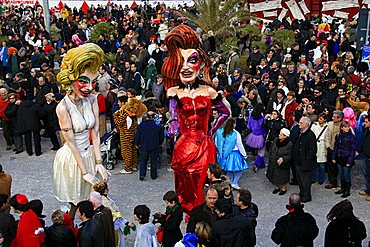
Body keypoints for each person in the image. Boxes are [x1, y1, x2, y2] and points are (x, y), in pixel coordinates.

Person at [163, 25, 229, 214]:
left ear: (200, 64)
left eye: (191, 60)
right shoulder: (173, 91)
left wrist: (210, 131)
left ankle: (205, 214)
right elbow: (173, 114)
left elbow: (225, 112)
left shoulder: (209, 91)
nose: (185, 67)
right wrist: (174, 125)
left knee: (204, 182)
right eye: (180, 61)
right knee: (184, 185)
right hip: (184, 146)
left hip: (204, 146)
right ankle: (189, 216)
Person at [53, 43, 109, 219]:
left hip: (89, 155)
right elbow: (70, 143)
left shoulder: (92, 99)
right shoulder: (63, 108)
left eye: (93, 82)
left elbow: (96, 133)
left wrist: (99, 161)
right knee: (75, 201)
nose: (89, 87)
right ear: (70, 80)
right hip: (72, 159)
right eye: (84, 81)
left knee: (90, 198)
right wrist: (85, 172)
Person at [93, 181, 135, 247]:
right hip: (112, 225)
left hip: (105, 225)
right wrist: (126, 223)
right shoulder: (106, 202)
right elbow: (115, 215)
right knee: (116, 242)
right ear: (106, 190)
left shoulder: (101, 199)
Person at [114, 97, 147, 174]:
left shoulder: (124, 112)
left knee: (126, 151)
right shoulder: (135, 113)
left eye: (119, 102)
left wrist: (115, 115)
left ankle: (127, 168)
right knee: (133, 150)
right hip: (133, 133)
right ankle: (134, 165)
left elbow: (119, 123)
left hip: (125, 135)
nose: (118, 104)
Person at [215, 118, 249, 190]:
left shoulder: (219, 132)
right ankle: (234, 182)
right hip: (234, 154)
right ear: (233, 124)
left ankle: (229, 183)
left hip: (223, 154)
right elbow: (240, 145)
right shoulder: (236, 133)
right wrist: (244, 155)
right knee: (240, 169)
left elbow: (216, 143)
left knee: (229, 170)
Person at [292, 117, 317, 203]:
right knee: (300, 179)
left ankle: (306, 196)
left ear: (307, 124)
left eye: (301, 123)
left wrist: (307, 160)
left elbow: (312, 150)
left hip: (305, 163)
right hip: (298, 161)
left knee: (305, 180)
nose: (299, 124)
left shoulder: (310, 135)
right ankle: (302, 193)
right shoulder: (300, 133)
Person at [135, 108, 164, 180]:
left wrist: (136, 143)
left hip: (144, 145)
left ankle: (142, 174)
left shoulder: (141, 125)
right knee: (154, 160)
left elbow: (137, 136)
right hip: (155, 145)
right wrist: (160, 143)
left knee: (143, 160)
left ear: (146, 117)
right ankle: (153, 175)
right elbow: (161, 136)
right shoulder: (158, 125)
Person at [332, 120, 356, 198]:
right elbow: (336, 147)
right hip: (340, 157)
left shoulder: (351, 137)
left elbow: (353, 149)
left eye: (348, 127)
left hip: (347, 157)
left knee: (346, 175)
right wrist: (333, 157)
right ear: (341, 128)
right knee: (342, 174)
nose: (347, 128)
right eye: (345, 127)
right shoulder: (338, 135)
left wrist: (350, 160)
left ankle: (347, 190)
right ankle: (343, 188)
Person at [266, 128, 293, 195]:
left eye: (281, 134)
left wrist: (283, 158)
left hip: (282, 163)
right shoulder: (276, 140)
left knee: (282, 176)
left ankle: (284, 188)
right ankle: (277, 187)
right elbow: (271, 148)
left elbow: (290, 154)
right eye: (280, 134)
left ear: (285, 136)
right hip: (273, 161)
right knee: (274, 175)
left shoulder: (289, 144)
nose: (279, 135)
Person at [325, 110, 344, 189]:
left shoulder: (345, 125)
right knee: (331, 166)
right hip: (331, 148)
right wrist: (328, 146)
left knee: (341, 167)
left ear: (339, 118)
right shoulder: (330, 124)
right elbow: (326, 136)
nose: (332, 118)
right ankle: (333, 182)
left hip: (341, 150)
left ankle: (343, 184)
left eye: (334, 117)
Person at [245, 103, 266, 170]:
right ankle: (256, 164)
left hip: (253, 135)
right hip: (261, 135)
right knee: (262, 152)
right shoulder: (262, 118)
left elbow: (249, 126)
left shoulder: (251, 116)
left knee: (259, 151)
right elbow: (263, 127)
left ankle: (261, 164)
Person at [310, 113, 328, 185]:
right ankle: (313, 178)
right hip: (315, 145)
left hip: (323, 146)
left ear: (325, 120)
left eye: (321, 119)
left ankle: (321, 179)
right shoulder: (314, 125)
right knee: (314, 164)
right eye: (319, 118)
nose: (319, 120)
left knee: (322, 165)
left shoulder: (327, 126)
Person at [357, 115, 370, 202]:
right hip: (366, 156)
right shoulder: (367, 131)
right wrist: (359, 150)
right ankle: (368, 190)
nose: (364, 124)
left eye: (366, 122)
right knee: (367, 174)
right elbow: (364, 142)